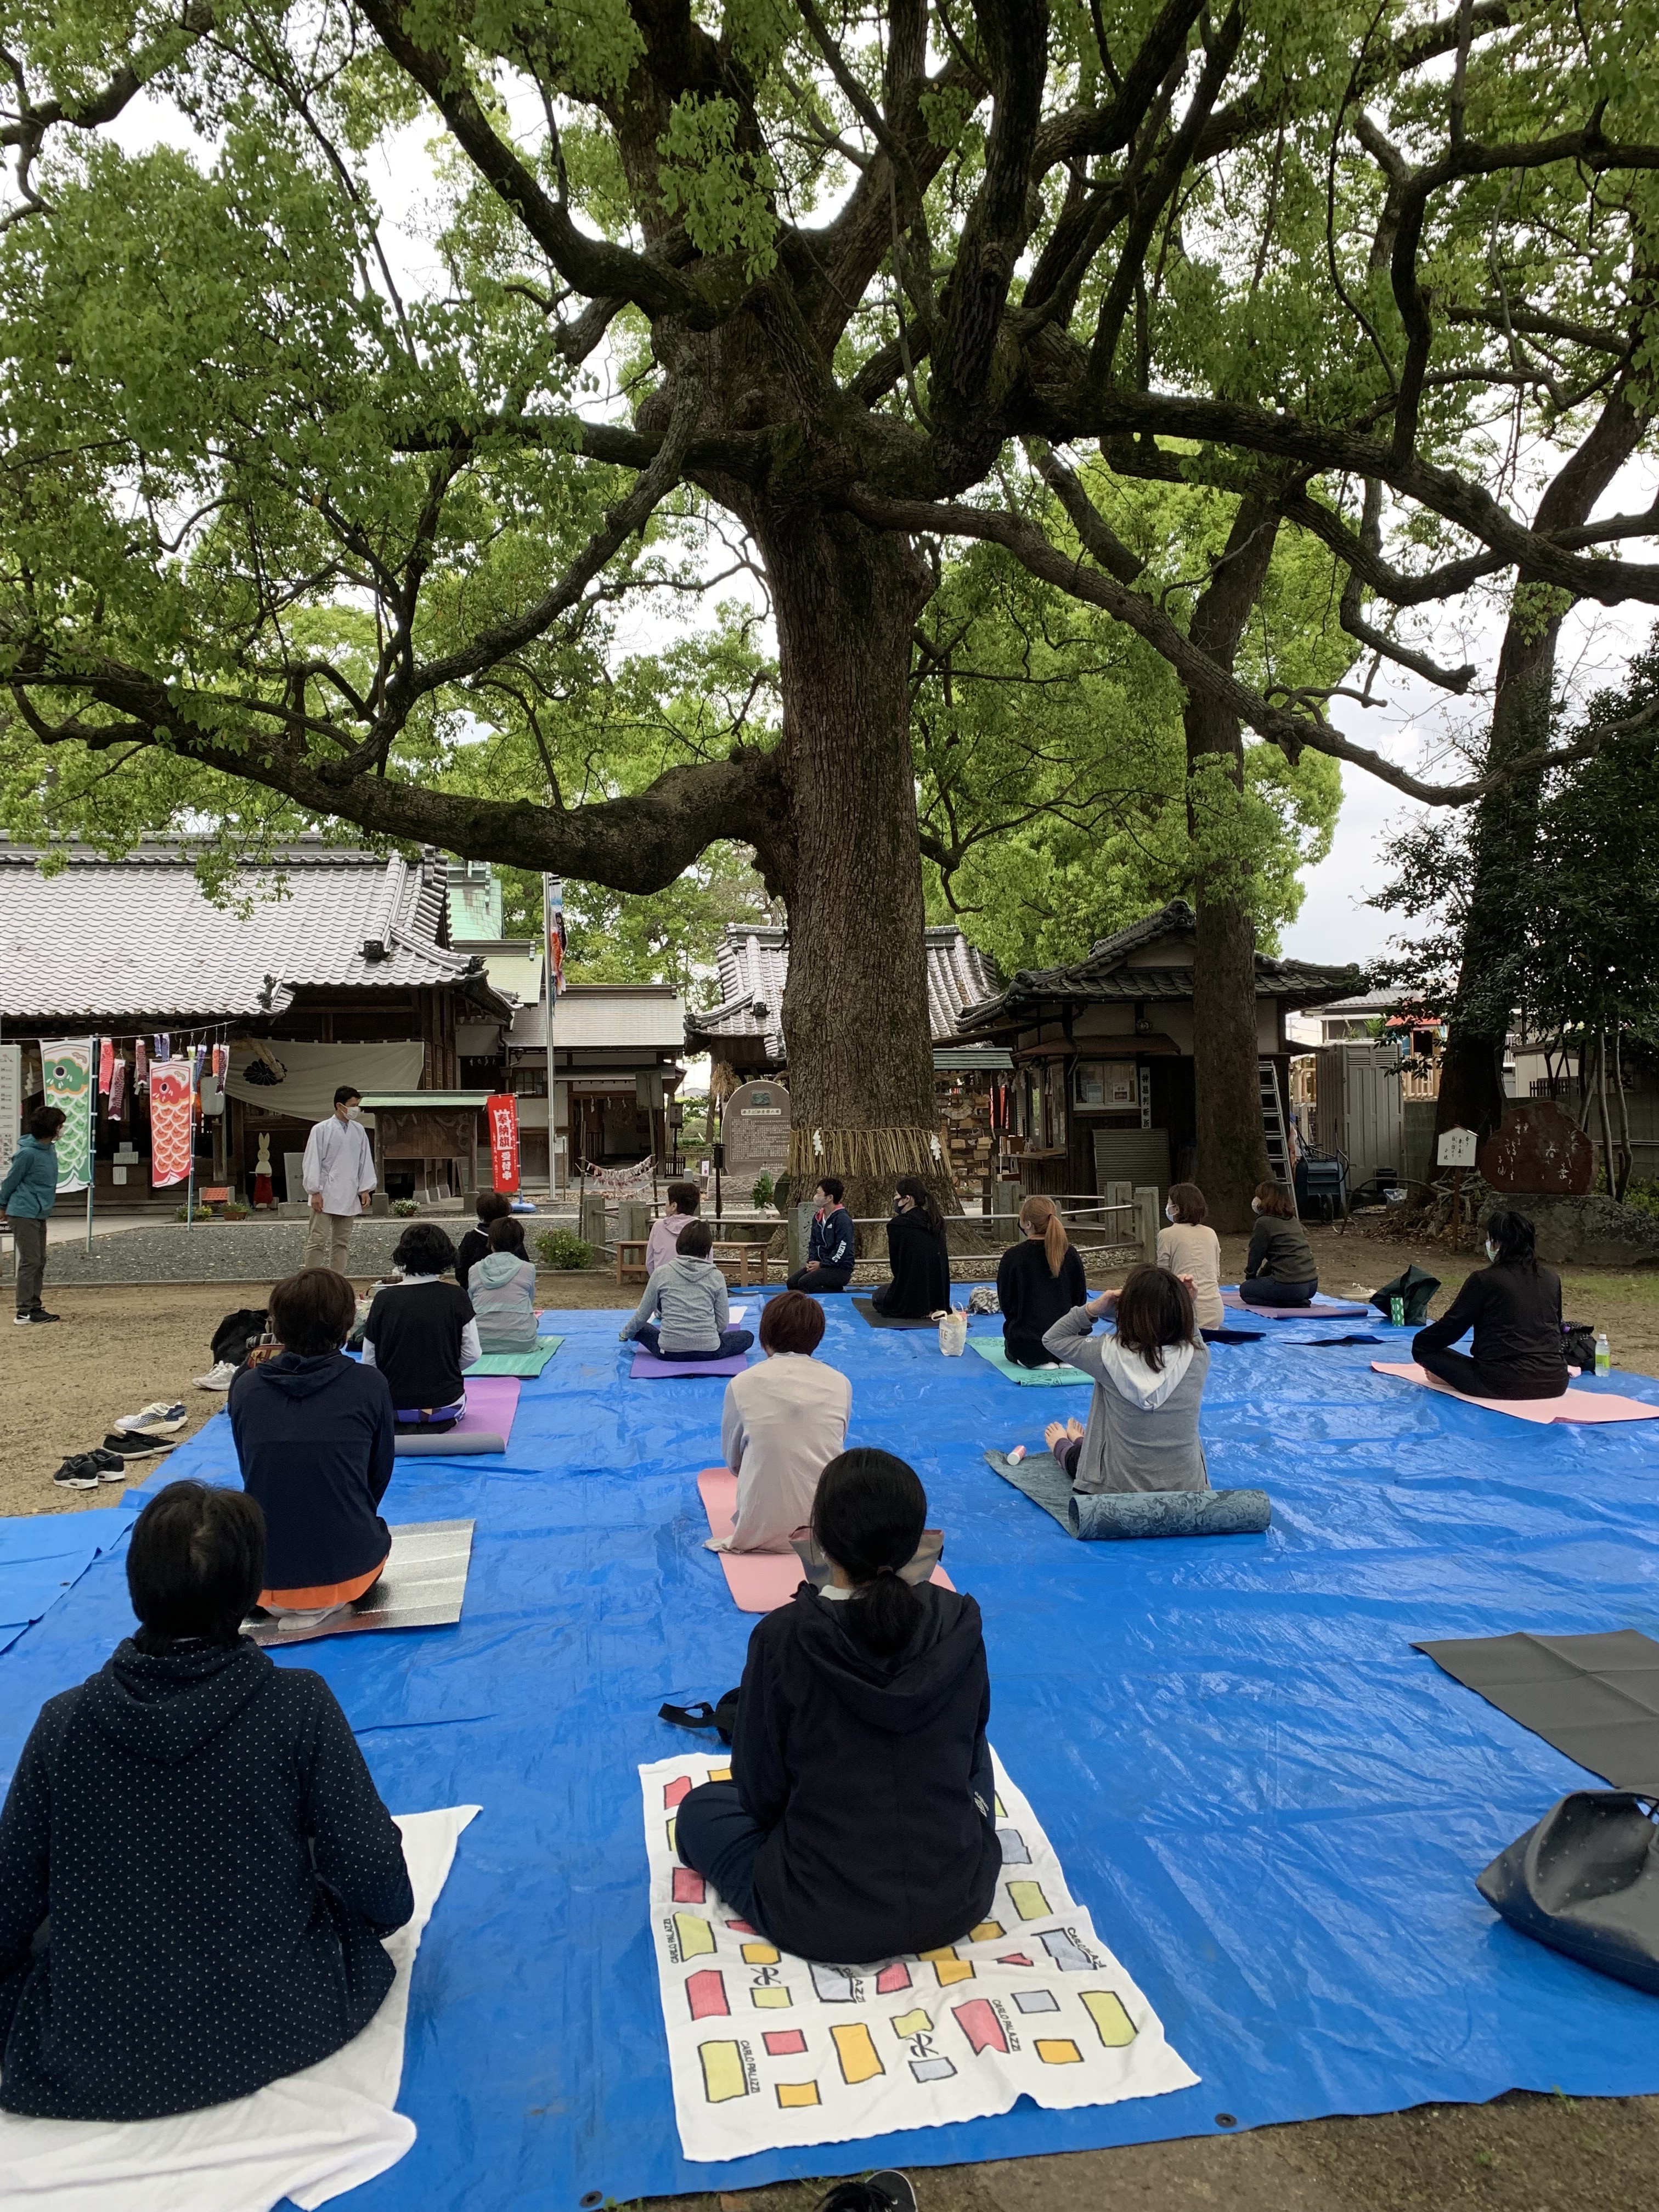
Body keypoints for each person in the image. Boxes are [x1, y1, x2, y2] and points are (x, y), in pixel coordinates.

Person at [0, 1480, 412, 2120]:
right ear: (251, 1593)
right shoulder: (297, 1707)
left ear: (136, 1585)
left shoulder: (65, 1724)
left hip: (90, 2053)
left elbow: (10, 1906)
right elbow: (377, 1875)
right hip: (283, 2019)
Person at [675, 1448, 999, 1964]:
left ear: (820, 1540)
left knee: (699, 1813)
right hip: (957, 1895)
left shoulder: (782, 1639)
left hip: (819, 1913)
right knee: (973, 1762)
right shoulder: (960, 1622)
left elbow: (761, 1794)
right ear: (918, 1539)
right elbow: (970, 1753)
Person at [229, 1269, 396, 1613]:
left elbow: (251, 1468)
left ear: (276, 1325)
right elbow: (377, 1476)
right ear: (347, 1324)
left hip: (261, 1584)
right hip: (351, 1576)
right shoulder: (370, 1384)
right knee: (371, 1527)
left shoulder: (245, 1386)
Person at [1040, 1265, 1211, 1494]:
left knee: (1080, 1459)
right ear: (1182, 1313)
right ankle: (1080, 1441)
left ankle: (1062, 1446)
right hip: (1188, 1489)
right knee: (1099, 1445)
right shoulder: (1198, 1356)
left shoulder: (1105, 1353)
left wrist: (1092, 1310)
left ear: (1125, 1311)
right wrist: (1185, 1302)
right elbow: (1191, 1333)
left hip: (1114, 1490)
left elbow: (1052, 1339)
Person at [713, 1291, 853, 1553]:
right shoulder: (840, 1383)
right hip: (824, 1528)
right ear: (817, 1338)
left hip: (758, 1525)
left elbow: (734, 1462)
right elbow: (834, 1445)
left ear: (766, 1337)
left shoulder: (741, 1384)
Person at [1411, 1207, 1569, 1401]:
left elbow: (1452, 1327)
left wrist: (1421, 1342)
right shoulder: (1551, 1279)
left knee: (1423, 1347)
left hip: (1502, 1382)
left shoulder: (1485, 1280)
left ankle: (1451, 1378)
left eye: (1490, 1240)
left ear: (1497, 1244)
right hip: (1556, 1381)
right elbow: (1556, 1326)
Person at [362, 1223, 479, 1428]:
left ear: (402, 1256)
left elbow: (369, 1361)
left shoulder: (383, 1299)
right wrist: (446, 1368)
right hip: (445, 1407)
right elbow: (472, 1353)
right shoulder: (457, 1296)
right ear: (446, 1255)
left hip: (392, 1408)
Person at [620, 1217, 755, 1360]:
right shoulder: (716, 1276)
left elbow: (642, 1315)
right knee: (747, 1337)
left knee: (640, 1328)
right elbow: (722, 1324)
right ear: (707, 1249)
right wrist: (703, 1336)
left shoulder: (661, 1273)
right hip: (710, 1351)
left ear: (679, 1245)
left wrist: (625, 1333)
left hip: (668, 1352)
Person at [996, 1194, 1087, 1367]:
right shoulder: (1071, 1255)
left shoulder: (1013, 1258)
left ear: (1028, 1224)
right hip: (1069, 1347)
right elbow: (1081, 1300)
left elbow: (1007, 1304)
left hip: (1030, 1347)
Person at [301, 1085, 376, 1272]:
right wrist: (315, 1191)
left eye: (358, 1105)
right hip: (325, 1190)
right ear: (340, 1106)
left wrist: (365, 1189)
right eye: (353, 1105)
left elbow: (364, 1161)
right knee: (318, 1239)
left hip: (349, 1190)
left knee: (342, 1242)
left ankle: (337, 1280)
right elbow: (313, 1161)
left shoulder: (359, 1130)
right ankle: (311, 1279)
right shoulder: (321, 1130)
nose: (356, 1109)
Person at [1, 1105, 65, 1325]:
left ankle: (34, 1306)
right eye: (59, 1125)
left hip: (38, 1211)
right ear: (51, 1129)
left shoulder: (49, 1150)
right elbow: (11, 1181)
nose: (61, 1129)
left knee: (39, 1261)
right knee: (30, 1261)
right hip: (23, 1211)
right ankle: (24, 1310)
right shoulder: (27, 1153)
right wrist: (2, 1204)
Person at [870, 1175, 950, 1318]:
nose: (895, 1200)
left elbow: (897, 1267)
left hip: (909, 1299)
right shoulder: (936, 1222)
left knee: (878, 1295)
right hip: (938, 1299)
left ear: (907, 1199)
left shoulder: (898, 1225)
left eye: (897, 1196)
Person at [1236, 1180, 1318, 1308]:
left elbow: (1256, 1255)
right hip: (1312, 1284)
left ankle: (1289, 1303)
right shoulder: (1293, 1220)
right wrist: (1262, 1276)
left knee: (1246, 1291)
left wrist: (1251, 1277)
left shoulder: (1264, 1222)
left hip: (1290, 1285)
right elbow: (1281, 1255)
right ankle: (1295, 1300)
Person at [1156, 1181, 1225, 1333]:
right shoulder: (1211, 1233)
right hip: (1215, 1313)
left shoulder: (1166, 1235)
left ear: (1177, 1208)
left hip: (1184, 1314)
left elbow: (1163, 1278)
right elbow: (1216, 1273)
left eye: (1169, 1203)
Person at [468, 1214, 540, 1355]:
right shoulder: (528, 1269)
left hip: (480, 1341)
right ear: (519, 1243)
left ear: (491, 1241)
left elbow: (472, 1303)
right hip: (522, 1342)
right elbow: (529, 1302)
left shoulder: (474, 1269)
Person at [786, 1176, 856, 1294]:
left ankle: (836, 1292)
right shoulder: (818, 1217)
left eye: (819, 1193)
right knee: (792, 1283)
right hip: (821, 1265)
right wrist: (812, 1261)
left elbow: (842, 1249)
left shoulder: (842, 1220)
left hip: (839, 1268)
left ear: (829, 1198)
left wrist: (823, 1264)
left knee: (806, 1283)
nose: (816, 1197)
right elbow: (813, 1242)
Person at [456, 1187, 512, 1289]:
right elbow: (523, 1262)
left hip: (477, 1292)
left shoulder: (471, 1238)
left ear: (480, 1213)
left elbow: (461, 1269)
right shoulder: (512, 1235)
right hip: (512, 1290)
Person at [646, 1181, 702, 1275]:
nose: (666, 1203)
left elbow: (650, 1261)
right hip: (695, 1283)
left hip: (663, 1281)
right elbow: (708, 1261)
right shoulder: (700, 1227)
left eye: (668, 1200)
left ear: (674, 1206)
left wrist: (657, 1280)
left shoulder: (659, 1227)